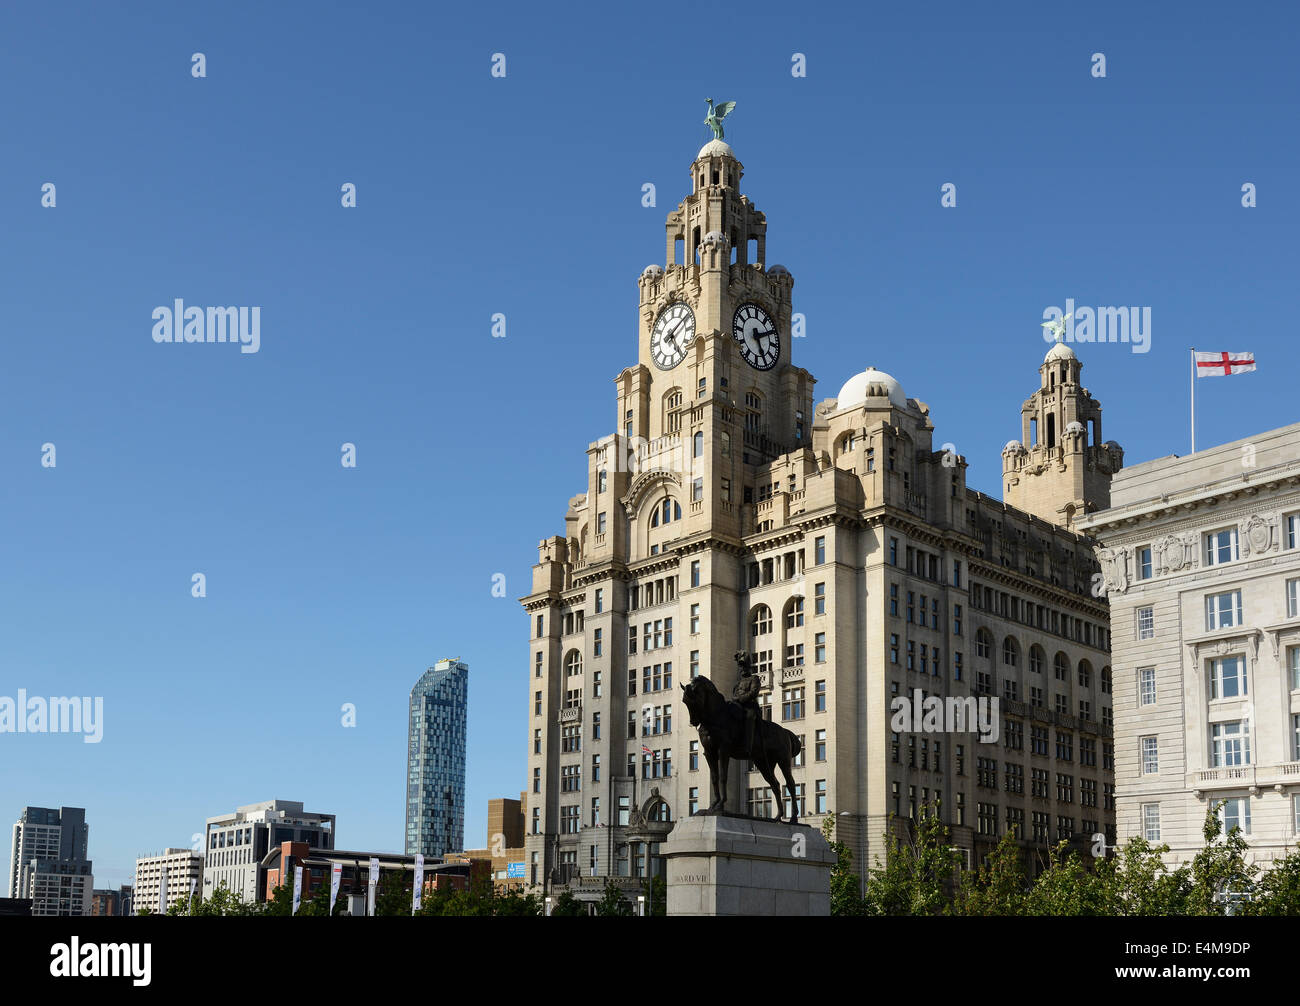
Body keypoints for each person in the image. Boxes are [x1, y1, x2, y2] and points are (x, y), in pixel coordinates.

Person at [731, 651, 763, 760]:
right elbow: (734, 695)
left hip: (750, 707)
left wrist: (741, 698)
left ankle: (748, 747)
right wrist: (735, 700)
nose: (742, 670)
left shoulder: (754, 679)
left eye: (744, 667)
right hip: (739, 707)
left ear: (749, 668)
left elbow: (754, 692)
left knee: (749, 718)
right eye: (741, 668)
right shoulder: (738, 683)